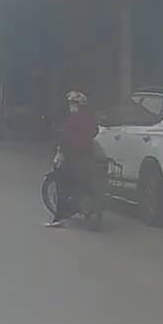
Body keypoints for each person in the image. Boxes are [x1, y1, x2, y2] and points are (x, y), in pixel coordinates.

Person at [46, 90, 99, 227]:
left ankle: (59, 218)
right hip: (88, 155)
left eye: (73, 103)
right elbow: (95, 132)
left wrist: (61, 152)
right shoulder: (90, 117)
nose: (71, 106)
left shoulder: (73, 119)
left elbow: (66, 137)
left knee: (62, 184)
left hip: (73, 156)